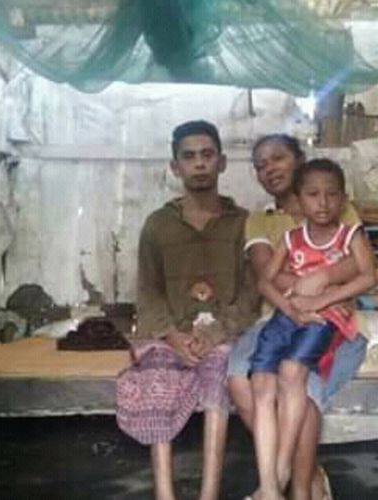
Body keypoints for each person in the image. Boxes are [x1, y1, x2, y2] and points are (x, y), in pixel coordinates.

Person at [227, 134, 376, 500]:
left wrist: (320, 281)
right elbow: (267, 273)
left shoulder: (336, 207)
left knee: (299, 387)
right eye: (261, 165)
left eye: (278, 158)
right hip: (278, 315)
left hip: (330, 316)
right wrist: (302, 294)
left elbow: (359, 266)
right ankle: (297, 476)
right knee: (240, 379)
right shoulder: (261, 220)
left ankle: (299, 488)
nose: (270, 169)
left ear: (299, 159)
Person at [115, 120, 258, 500]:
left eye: (207, 155)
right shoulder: (158, 225)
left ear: (222, 163)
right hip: (170, 335)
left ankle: (208, 494)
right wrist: (172, 336)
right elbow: (148, 291)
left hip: (223, 334)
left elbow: (251, 294)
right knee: (156, 379)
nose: (199, 163)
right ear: (175, 166)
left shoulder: (243, 223)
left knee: (220, 372)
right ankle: (165, 493)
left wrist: (216, 333)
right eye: (189, 156)